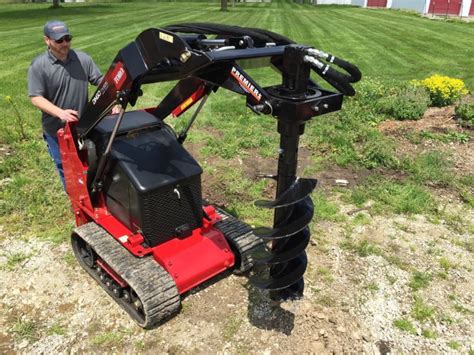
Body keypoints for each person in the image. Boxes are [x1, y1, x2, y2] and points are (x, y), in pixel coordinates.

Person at [28, 20, 103, 189]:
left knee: (94, 162)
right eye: (59, 40)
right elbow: (35, 97)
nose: (65, 44)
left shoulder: (82, 59)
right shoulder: (39, 66)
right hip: (57, 130)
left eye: (67, 39)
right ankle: (78, 204)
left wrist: (112, 98)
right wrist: (60, 113)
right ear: (47, 40)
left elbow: (100, 81)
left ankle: (94, 196)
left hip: (84, 125)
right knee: (67, 169)